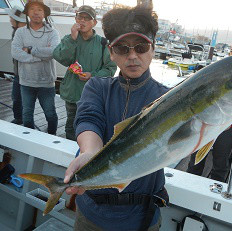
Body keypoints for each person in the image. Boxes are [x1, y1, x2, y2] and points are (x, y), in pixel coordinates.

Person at [63, 5, 169, 231]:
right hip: (91, 214)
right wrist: (90, 153)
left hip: (140, 219)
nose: (132, 56)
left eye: (141, 47)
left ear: (153, 48)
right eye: (122, 48)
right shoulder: (97, 86)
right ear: (111, 52)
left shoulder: (166, 98)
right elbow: (88, 119)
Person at [187, 41, 232, 182]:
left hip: (228, 126)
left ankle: (217, 187)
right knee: (195, 157)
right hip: (206, 123)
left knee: (221, 161)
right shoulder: (217, 71)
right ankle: (189, 181)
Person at [53, 5, 117, 141]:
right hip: (72, 92)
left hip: (93, 95)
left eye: (87, 18)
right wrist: (72, 38)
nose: (82, 21)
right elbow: (60, 57)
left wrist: (92, 75)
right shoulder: (69, 38)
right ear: (75, 19)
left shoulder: (102, 43)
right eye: (79, 17)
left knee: (90, 126)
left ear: (94, 23)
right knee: (70, 126)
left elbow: (110, 69)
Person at [11, 0, 60, 135]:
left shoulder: (52, 32)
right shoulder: (20, 32)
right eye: (32, 9)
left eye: (39, 9)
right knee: (27, 115)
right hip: (26, 82)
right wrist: (39, 56)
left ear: (44, 13)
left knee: (51, 115)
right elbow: (15, 52)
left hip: (47, 82)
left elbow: (54, 51)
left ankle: (51, 137)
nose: (36, 12)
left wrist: (30, 50)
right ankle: (30, 140)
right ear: (27, 13)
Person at [5, 6, 27, 125]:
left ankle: (26, 121)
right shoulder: (15, 30)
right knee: (16, 97)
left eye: (11, 18)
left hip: (27, 73)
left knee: (26, 99)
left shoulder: (27, 32)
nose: (10, 20)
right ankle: (19, 118)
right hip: (18, 72)